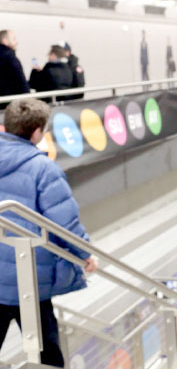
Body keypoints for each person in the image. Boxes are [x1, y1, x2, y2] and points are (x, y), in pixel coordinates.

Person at [0, 99, 99, 367]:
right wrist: (85, 254)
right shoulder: (43, 169)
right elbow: (64, 223)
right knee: (48, 355)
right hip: (29, 279)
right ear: (36, 133)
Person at [0, 30, 29, 108]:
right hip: (13, 106)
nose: (16, 42)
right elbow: (22, 82)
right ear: (5, 41)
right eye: (14, 39)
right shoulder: (10, 57)